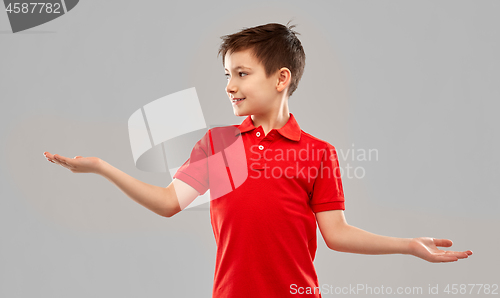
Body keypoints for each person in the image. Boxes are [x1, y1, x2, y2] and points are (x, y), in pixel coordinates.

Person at [43, 21, 472, 297]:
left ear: (281, 78)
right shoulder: (220, 144)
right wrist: (101, 167)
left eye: (242, 74)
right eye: (227, 75)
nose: (230, 85)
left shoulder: (318, 153)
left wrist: (408, 247)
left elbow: (337, 234)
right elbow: (168, 202)